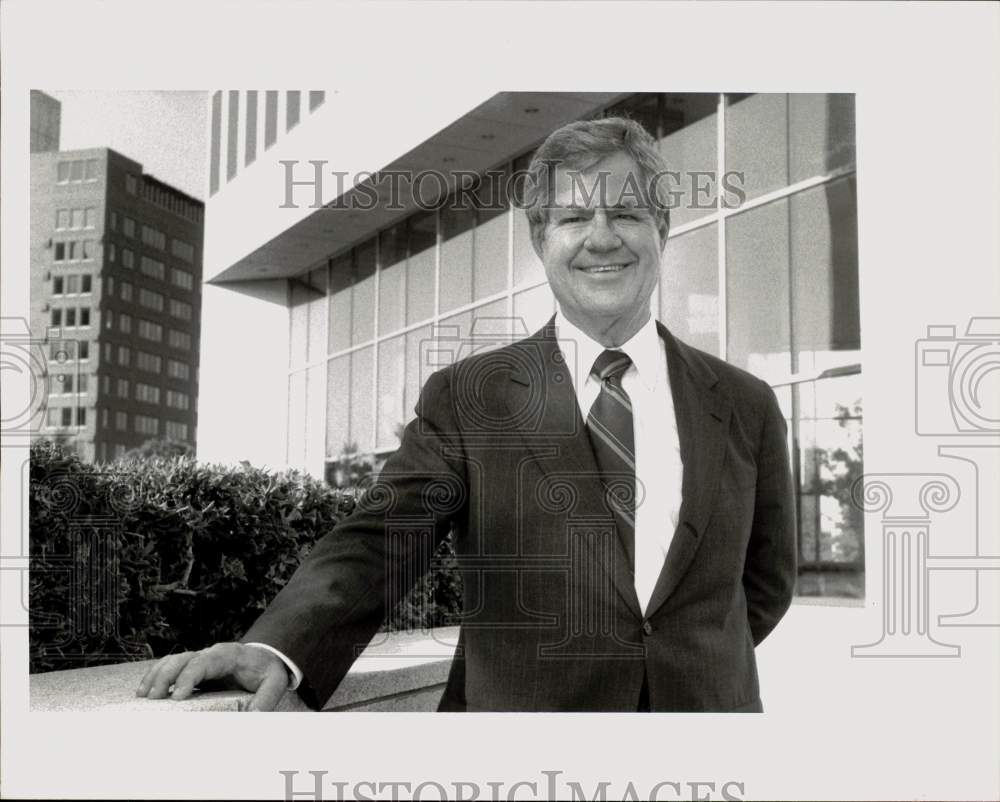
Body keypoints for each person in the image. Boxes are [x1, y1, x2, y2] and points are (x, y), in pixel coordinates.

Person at [137, 116, 796, 712]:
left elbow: (762, 588)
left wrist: (684, 656)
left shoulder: (745, 404)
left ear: (662, 229)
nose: (601, 239)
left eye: (626, 214)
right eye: (572, 218)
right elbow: (382, 537)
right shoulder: (469, 396)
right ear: (541, 241)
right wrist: (278, 647)